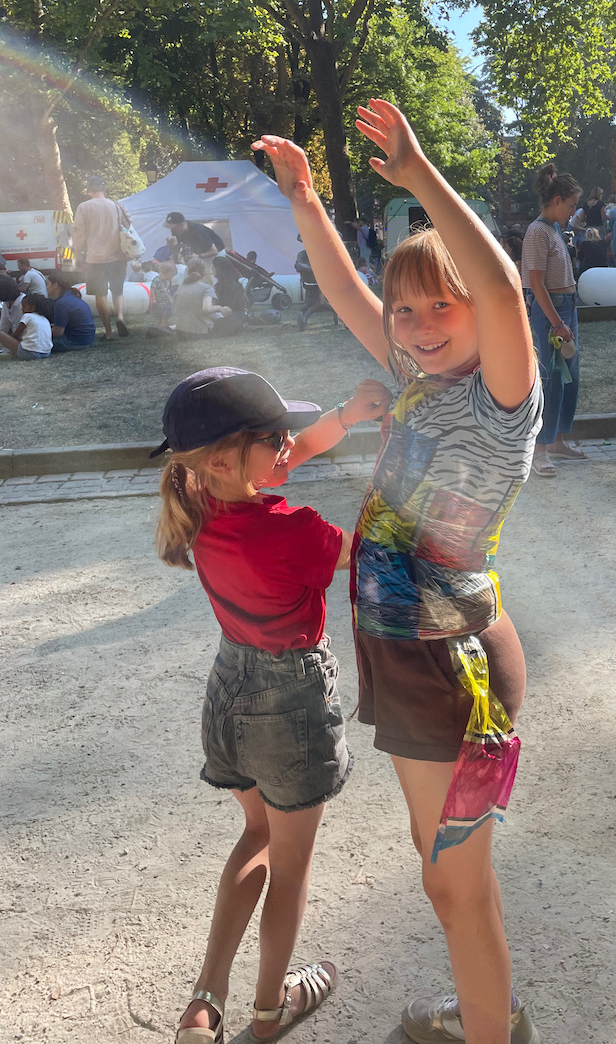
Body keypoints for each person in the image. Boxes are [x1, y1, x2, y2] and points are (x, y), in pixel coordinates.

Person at [253, 100, 543, 1044]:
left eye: (440, 306)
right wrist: (305, 202)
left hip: (446, 664)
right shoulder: (421, 374)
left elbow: (504, 293)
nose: (417, 326)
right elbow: (346, 291)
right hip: (413, 652)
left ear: (477, 311)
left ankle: (489, 1028)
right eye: (406, 309)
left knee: (455, 888)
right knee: (447, 870)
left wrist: (419, 178)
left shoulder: (500, 398)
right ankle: (489, 1008)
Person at [153, 368, 385, 1044]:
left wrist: (345, 415)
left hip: (229, 691)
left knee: (256, 833)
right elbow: (374, 548)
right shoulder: (295, 531)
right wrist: (397, 466)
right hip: (290, 704)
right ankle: (268, 1008)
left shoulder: (197, 495)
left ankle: (205, 1002)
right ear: (228, 459)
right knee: (290, 867)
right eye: (275, 437)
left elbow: (290, 457)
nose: (289, 444)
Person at [523, 163, 584, 479]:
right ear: (557, 200)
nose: (573, 212)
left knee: (569, 376)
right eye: (571, 205)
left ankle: (557, 440)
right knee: (551, 380)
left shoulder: (554, 229)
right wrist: (557, 322)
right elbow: (536, 283)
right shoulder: (538, 232)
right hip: (554, 313)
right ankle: (540, 450)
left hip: (566, 307)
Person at [72, 174, 129, 339]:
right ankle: (120, 317)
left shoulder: (84, 207)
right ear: (104, 189)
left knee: (100, 295)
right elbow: (128, 226)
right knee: (118, 291)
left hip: (95, 258)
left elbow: (80, 234)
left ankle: (109, 332)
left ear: (89, 190)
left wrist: (76, 254)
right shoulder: (117, 206)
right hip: (118, 256)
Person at [174, 259, 232, 337]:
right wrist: (219, 308)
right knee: (232, 322)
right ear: (204, 272)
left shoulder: (180, 287)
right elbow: (206, 309)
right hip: (198, 332)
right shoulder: (206, 288)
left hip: (181, 331)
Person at [46, 270, 96, 351]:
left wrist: (44, 331)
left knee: (38, 342)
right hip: (88, 339)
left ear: (55, 285)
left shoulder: (61, 303)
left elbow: (58, 333)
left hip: (75, 342)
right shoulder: (71, 297)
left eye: (47, 284)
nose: (46, 287)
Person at [165, 212, 225, 280]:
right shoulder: (178, 232)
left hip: (215, 255)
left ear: (181, 225)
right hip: (200, 254)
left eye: (172, 227)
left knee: (211, 278)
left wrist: (198, 256)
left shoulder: (198, 231)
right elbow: (177, 251)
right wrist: (172, 246)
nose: (171, 230)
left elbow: (214, 251)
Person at [0, 290, 52, 360]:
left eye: (24, 307)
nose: (21, 309)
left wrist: (8, 342)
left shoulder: (27, 316)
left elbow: (16, 335)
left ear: (33, 307)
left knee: (1, 334)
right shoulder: (44, 319)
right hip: (46, 353)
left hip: (30, 353)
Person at [147, 261, 179, 334]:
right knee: (159, 316)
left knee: (167, 316)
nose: (171, 277)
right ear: (164, 272)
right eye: (171, 275)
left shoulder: (168, 280)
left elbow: (169, 289)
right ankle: (156, 328)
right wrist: (153, 299)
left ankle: (167, 328)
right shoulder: (156, 280)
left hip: (167, 301)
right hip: (158, 303)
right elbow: (152, 289)